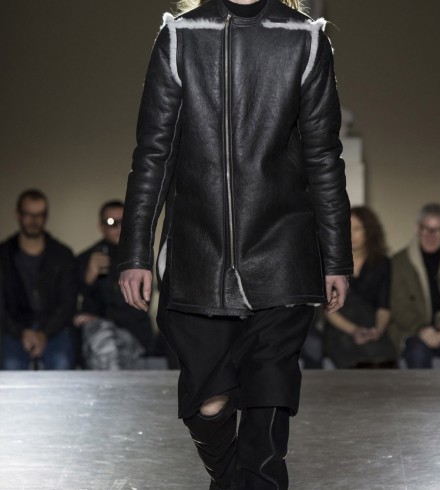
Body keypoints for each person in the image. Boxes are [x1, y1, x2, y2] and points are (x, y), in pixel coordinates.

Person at [118, 0, 352, 488]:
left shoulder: (304, 38)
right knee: (209, 405)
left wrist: (336, 258)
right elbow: (154, 154)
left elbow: (324, 157)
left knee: (269, 400)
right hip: (196, 255)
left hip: (282, 252)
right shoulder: (181, 36)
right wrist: (135, 251)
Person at [0, 189, 76, 370]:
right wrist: (21, 332)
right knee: (11, 366)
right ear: (18, 215)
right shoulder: (3, 255)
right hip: (13, 328)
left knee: (61, 362)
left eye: (39, 215)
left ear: (46, 216)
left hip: (54, 328)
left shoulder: (62, 255)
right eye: (28, 214)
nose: (34, 220)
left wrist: (44, 333)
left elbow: (68, 302)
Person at [75, 201, 154, 369]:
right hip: (98, 335)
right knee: (102, 339)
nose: (119, 227)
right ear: (102, 227)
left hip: (133, 333)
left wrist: (102, 320)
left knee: (105, 341)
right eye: (112, 223)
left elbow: (142, 305)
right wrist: (88, 277)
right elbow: (73, 302)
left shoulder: (140, 259)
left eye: (123, 222)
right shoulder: (87, 258)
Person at [389, 203, 440, 368]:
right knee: (417, 352)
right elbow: (398, 305)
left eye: (436, 230)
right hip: (412, 331)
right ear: (417, 229)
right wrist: (421, 329)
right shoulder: (398, 263)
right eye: (425, 229)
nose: (430, 236)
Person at [323, 206, 396, 368]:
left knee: (383, 361)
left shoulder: (381, 263)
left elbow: (384, 305)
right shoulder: (332, 262)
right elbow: (328, 309)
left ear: (369, 231)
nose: (351, 234)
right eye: (347, 228)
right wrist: (354, 330)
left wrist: (378, 330)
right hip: (341, 329)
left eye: (357, 229)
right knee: (353, 360)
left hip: (371, 326)